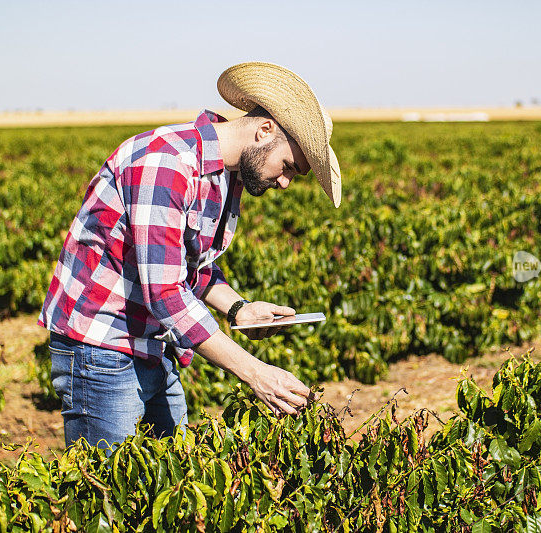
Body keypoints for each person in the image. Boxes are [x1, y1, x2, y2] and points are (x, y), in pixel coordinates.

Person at [37, 62, 342, 452]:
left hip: (153, 343)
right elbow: (165, 292)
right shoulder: (165, 163)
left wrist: (239, 310)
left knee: (172, 480)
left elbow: (190, 268)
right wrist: (255, 373)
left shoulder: (224, 176)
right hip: (101, 347)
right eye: (287, 167)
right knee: (107, 499)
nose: (284, 182)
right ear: (264, 130)